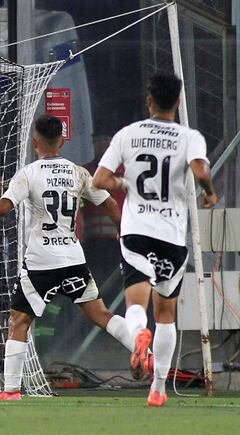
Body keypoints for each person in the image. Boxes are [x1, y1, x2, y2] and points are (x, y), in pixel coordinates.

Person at [0, 114, 140, 401]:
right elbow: (110, 203)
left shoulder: (29, 173)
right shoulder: (78, 173)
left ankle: (11, 390)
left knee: (18, 322)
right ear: (61, 140)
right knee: (101, 315)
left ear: (34, 141)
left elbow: (3, 206)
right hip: (73, 259)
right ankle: (140, 347)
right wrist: (124, 233)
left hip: (40, 263)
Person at [93, 73, 218, 407]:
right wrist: (209, 192)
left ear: (149, 101)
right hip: (171, 237)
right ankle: (158, 389)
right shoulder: (189, 137)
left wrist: (121, 184)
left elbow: (100, 179)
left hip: (136, 232)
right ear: (178, 101)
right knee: (166, 314)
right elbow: (201, 171)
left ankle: (137, 337)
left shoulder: (127, 134)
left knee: (136, 305)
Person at [81, 133, 124, 284]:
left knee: (116, 284)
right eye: (96, 140)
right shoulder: (85, 172)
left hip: (118, 242)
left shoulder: (125, 173)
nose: (100, 144)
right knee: (94, 283)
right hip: (92, 243)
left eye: (105, 139)